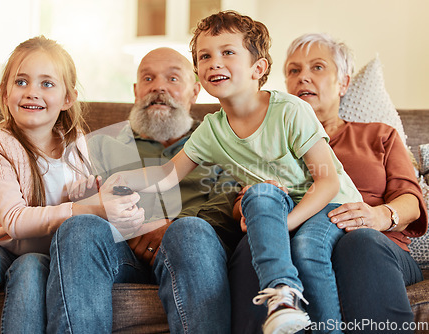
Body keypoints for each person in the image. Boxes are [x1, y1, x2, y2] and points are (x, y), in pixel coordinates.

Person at [109, 11, 362, 334]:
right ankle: (282, 303)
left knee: (307, 250)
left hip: (330, 206)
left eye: (228, 52)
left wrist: (283, 225)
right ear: (199, 75)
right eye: (205, 55)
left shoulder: (290, 111)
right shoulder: (212, 129)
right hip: (273, 203)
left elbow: (328, 182)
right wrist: (122, 179)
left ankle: (301, 311)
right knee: (259, 195)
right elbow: (169, 173)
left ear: (258, 68)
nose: (215, 62)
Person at [0, 36, 144, 334]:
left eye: (47, 84)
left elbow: (72, 202)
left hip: (44, 252)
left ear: (68, 98)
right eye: (21, 82)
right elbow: (14, 221)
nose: (32, 93)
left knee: (30, 270)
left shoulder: (75, 140)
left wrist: (87, 193)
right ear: (4, 93)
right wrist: (86, 206)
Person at [229, 33, 428, 334]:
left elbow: (411, 202)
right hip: (292, 246)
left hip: (376, 247)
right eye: (294, 71)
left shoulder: (379, 135)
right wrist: (250, 207)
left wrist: (377, 216)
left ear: (344, 84)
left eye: (318, 67)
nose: (303, 78)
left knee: (360, 241)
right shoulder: (265, 142)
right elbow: (240, 208)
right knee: (251, 246)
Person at [46, 47, 242, 333]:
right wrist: (131, 228)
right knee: (79, 228)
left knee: (189, 232)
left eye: (173, 79)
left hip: (194, 250)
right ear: (136, 91)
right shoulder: (98, 145)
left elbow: (230, 199)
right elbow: (81, 200)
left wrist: (171, 227)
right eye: (148, 78)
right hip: (122, 255)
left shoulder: (221, 140)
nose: (158, 87)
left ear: (195, 91)